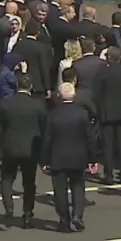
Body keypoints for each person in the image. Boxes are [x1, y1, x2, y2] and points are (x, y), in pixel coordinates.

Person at [42, 83, 100, 232]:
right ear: (74, 95)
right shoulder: (82, 113)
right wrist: (93, 159)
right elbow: (90, 138)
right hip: (78, 156)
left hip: (58, 157)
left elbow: (47, 139)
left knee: (60, 191)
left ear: (59, 96)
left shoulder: (52, 114)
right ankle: (77, 215)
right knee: (78, 187)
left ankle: (64, 219)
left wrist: (44, 160)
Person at [0, 73, 46, 227]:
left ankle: (8, 205)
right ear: (30, 86)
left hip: (10, 146)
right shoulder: (38, 105)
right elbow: (43, 128)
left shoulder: (5, 104)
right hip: (30, 149)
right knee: (29, 183)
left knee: (7, 178)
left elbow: (0, 128)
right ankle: (27, 214)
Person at [94, 46, 121, 184]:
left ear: (109, 57)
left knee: (108, 146)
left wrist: (99, 110)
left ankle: (109, 175)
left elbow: (97, 94)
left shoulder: (102, 73)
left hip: (107, 113)